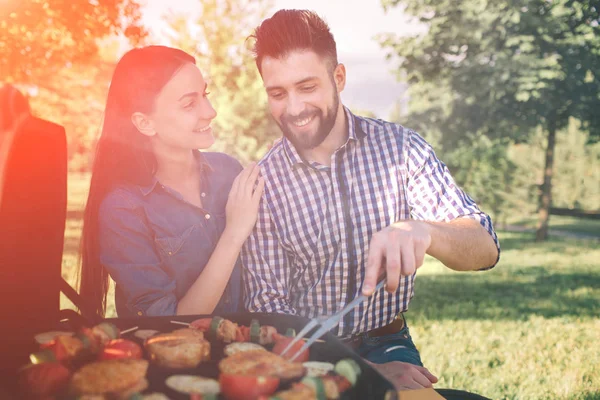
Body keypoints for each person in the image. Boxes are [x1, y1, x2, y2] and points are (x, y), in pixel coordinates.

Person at [242, 10, 500, 390]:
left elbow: (486, 248)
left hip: (389, 341)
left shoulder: (402, 148)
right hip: (307, 353)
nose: (294, 108)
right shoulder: (262, 184)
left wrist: (426, 231)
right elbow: (269, 314)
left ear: (339, 77)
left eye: (307, 87)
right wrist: (361, 370)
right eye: (278, 93)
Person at [79, 46, 264, 318]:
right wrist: (233, 235)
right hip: (172, 355)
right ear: (144, 123)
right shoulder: (123, 210)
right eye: (190, 104)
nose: (210, 111)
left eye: (205, 95)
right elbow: (170, 325)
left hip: (244, 353)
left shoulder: (229, 171)